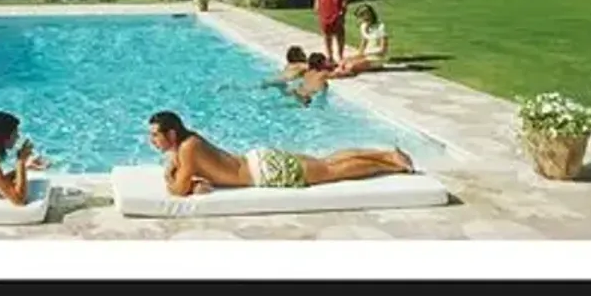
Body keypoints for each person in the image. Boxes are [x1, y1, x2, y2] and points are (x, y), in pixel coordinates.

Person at [146, 110, 413, 196]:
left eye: (155, 135)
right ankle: (387, 154)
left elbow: (178, 191)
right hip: (258, 160)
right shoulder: (188, 143)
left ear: (171, 134)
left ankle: (393, 165)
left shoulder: (187, 149)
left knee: (331, 170)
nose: (152, 140)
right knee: (327, 161)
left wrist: (172, 177)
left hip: (265, 172)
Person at [334, 4, 389, 76]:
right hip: (366, 56)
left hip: (376, 57)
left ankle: (343, 73)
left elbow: (383, 50)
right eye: (361, 16)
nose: (363, 19)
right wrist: (355, 56)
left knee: (350, 66)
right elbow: (363, 45)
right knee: (342, 62)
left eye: (364, 16)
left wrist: (366, 53)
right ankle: (338, 72)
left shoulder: (380, 27)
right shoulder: (363, 26)